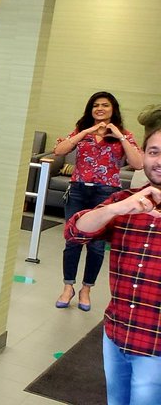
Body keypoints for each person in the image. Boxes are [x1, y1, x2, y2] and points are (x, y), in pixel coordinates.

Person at [65, 105, 161, 405]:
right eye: (154, 152)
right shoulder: (127, 201)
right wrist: (117, 208)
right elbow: (74, 232)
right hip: (117, 333)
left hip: (155, 346)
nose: (159, 161)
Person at [51, 91, 142, 312]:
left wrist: (119, 136)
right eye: (96, 105)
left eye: (105, 105)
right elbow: (59, 151)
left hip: (106, 194)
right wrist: (84, 132)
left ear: (113, 109)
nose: (100, 109)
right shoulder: (82, 131)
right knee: (72, 241)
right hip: (78, 191)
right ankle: (68, 287)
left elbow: (138, 163)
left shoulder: (124, 134)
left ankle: (86, 289)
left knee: (97, 245)